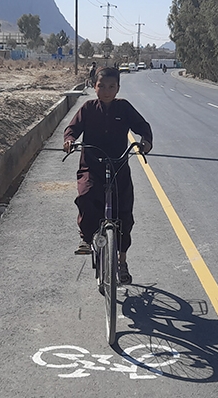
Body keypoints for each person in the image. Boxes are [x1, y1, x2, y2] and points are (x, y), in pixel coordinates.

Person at [63, 66, 152, 284]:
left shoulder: (124, 108)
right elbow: (72, 128)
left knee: (124, 214)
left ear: (118, 88)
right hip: (91, 165)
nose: (106, 91)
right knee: (86, 195)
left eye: (111, 87)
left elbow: (142, 126)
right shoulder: (88, 108)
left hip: (119, 166)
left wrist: (146, 141)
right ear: (94, 87)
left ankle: (122, 261)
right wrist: (69, 140)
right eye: (101, 86)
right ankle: (86, 238)